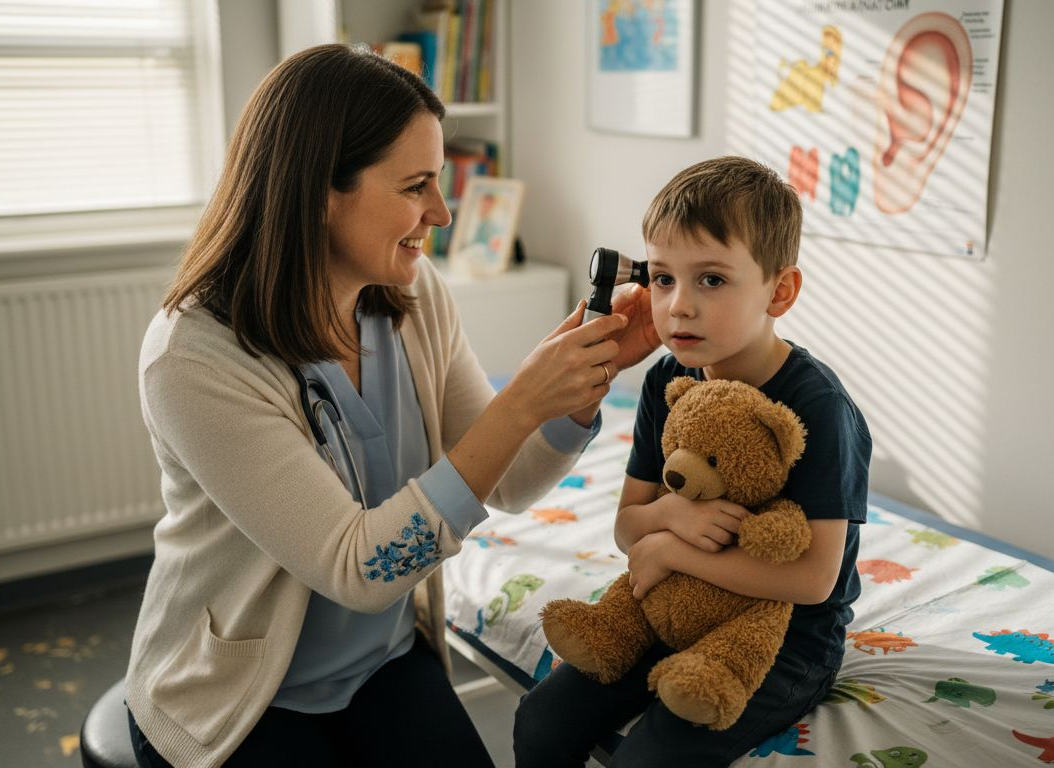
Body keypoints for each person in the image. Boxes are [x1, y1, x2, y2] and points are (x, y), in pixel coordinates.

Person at [123, 44, 658, 768]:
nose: (441, 212)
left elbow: (511, 482)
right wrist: (521, 398)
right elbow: (360, 569)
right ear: (318, 191)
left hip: (380, 666)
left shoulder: (414, 298)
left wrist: (582, 380)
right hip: (238, 698)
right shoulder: (194, 357)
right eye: (415, 187)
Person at [514, 156, 871, 768]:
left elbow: (814, 580)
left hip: (783, 636)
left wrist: (670, 548)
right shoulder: (668, 380)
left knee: (652, 757)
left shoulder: (817, 405)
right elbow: (630, 527)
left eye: (711, 279)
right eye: (661, 278)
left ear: (779, 291)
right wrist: (671, 517)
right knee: (542, 720)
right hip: (673, 608)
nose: (677, 305)